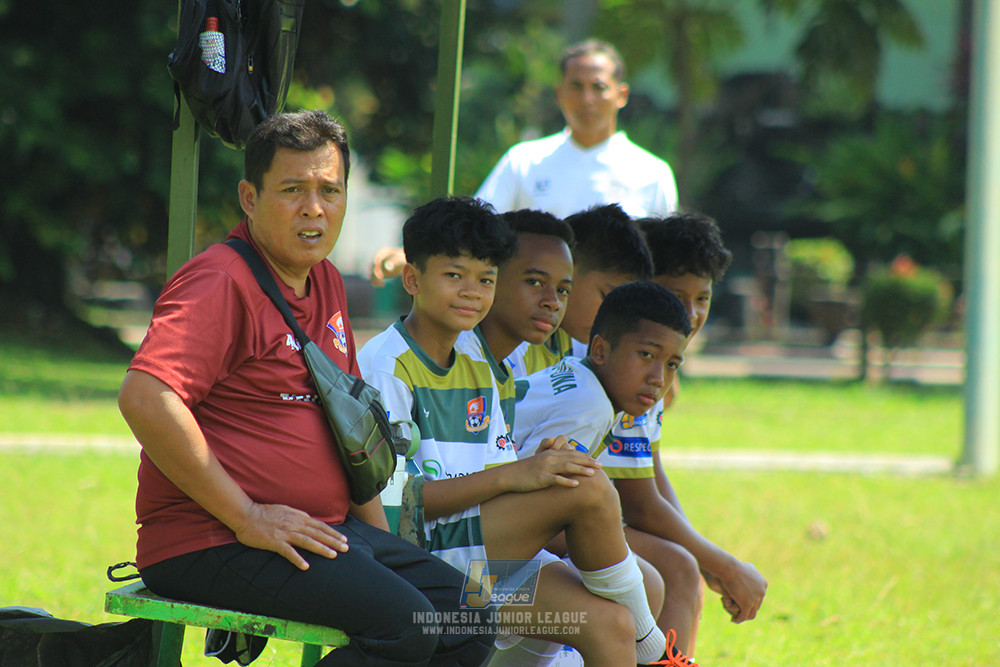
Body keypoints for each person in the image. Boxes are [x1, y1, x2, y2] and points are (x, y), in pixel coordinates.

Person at [117, 110, 496, 666]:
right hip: (211, 538)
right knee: (402, 628)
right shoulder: (221, 280)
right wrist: (247, 516)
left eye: (329, 190)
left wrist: (383, 548)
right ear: (250, 197)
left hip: (320, 529)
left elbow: (348, 429)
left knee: (469, 618)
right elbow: (146, 396)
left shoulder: (326, 281)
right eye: (292, 190)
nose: (314, 208)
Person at [357, 196, 671, 665]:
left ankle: (646, 645)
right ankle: (658, 653)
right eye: (454, 276)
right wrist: (516, 477)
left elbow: (499, 470)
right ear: (412, 279)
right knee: (588, 488)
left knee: (611, 624)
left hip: (486, 563)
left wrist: (536, 467)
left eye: (485, 280)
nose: (471, 292)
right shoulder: (386, 368)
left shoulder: (477, 362)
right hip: (424, 567)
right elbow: (392, 508)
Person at [368, 38, 677, 286]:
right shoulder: (524, 161)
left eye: (598, 87)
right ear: (559, 94)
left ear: (621, 94)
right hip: (531, 332)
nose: (587, 99)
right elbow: (475, 229)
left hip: (616, 334)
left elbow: (668, 264)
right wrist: (410, 256)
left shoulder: (652, 172)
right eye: (576, 87)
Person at [599, 213, 767, 655]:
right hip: (556, 526)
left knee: (684, 564)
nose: (691, 314)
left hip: (591, 518)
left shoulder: (654, 364)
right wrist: (724, 566)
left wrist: (707, 558)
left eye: (703, 298)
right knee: (675, 568)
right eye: (676, 296)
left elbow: (649, 472)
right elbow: (639, 503)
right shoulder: (623, 363)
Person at [512, 281, 698, 666]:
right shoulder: (589, 407)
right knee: (632, 595)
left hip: (496, 546)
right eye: (645, 354)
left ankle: (652, 649)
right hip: (479, 565)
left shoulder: (579, 378)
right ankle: (654, 649)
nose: (657, 377)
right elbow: (538, 509)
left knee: (644, 579)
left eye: (671, 364)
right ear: (600, 349)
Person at [505, 203, 653, 378]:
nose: (613, 318)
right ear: (567, 269)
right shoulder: (519, 342)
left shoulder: (566, 338)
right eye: (606, 297)